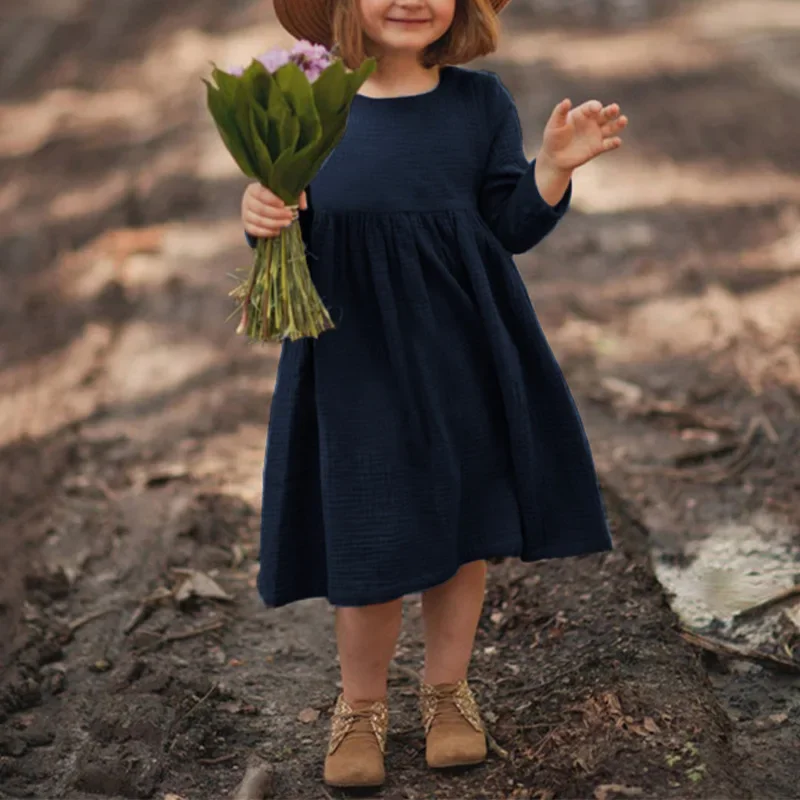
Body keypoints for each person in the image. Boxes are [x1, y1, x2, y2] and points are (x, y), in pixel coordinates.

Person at [240, 0, 626, 789]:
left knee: (461, 524)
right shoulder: (310, 100)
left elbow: (510, 226)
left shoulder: (479, 103)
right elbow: (286, 227)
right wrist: (262, 216)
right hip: (354, 352)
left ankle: (448, 693)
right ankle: (362, 706)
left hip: (462, 346)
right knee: (369, 525)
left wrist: (551, 168)